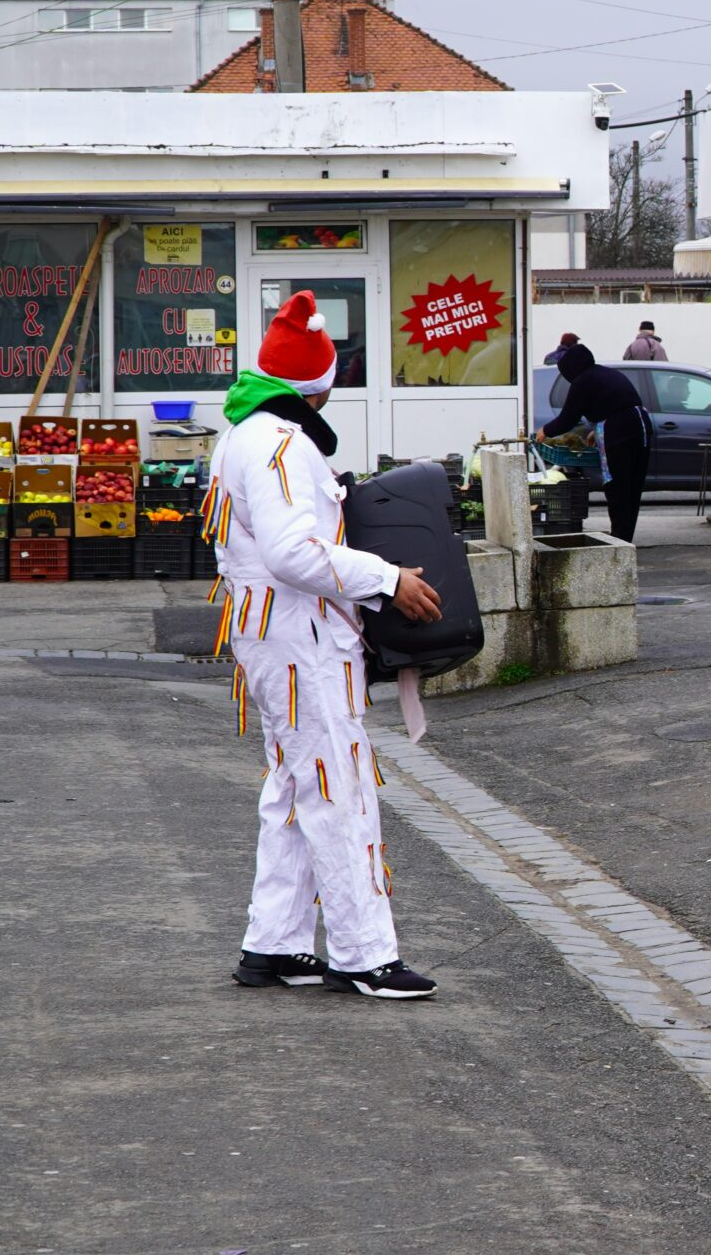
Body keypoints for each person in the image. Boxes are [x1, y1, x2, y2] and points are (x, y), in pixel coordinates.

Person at [215, 290, 445, 999]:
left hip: (272, 637)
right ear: (318, 386)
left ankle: (275, 943)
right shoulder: (283, 444)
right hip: (302, 640)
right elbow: (293, 553)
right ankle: (363, 954)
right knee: (337, 791)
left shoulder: (243, 435)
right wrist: (386, 579)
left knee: (292, 788)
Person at [542, 342, 653, 543]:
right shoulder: (605, 373)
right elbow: (616, 403)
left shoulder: (582, 381)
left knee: (616, 486)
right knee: (632, 486)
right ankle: (625, 536)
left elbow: (567, 419)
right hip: (641, 425)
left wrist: (544, 431)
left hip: (620, 430)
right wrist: (597, 428)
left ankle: (619, 538)